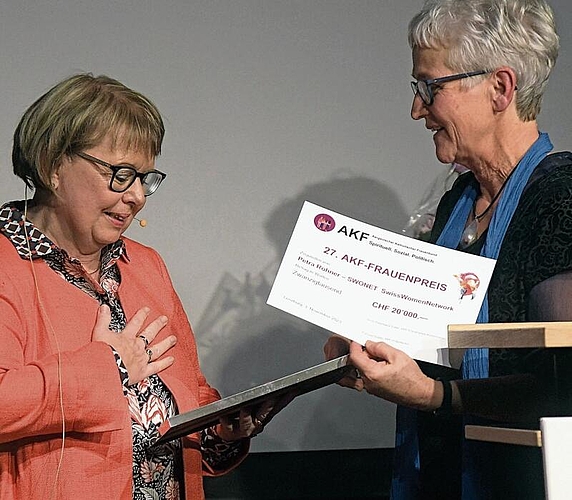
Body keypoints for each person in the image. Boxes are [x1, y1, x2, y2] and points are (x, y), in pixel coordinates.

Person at [324, 0, 572, 498]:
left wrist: (432, 395)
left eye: (428, 88)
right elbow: (436, 343)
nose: (416, 108)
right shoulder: (458, 201)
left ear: (500, 87)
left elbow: (561, 384)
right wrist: (375, 344)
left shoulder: (560, 199)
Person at [0, 73, 278, 500]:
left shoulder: (145, 266)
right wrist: (106, 366)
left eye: (145, 179)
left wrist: (223, 428)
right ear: (53, 165)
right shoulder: (6, 262)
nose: (137, 197)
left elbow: (187, 402)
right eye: (121, 174)